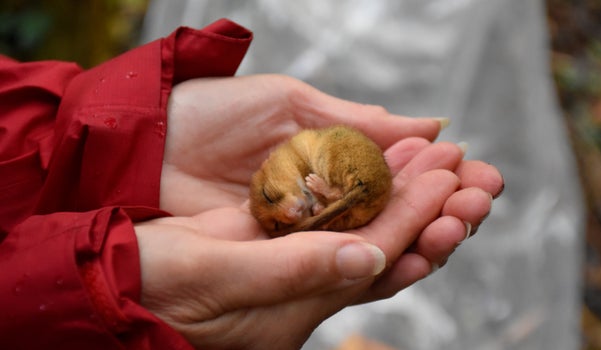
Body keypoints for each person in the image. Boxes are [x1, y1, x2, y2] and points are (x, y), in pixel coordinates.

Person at [0, 19, 503, 350]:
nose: (289, 211)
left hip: (339, 174)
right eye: (284, 218)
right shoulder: (288, 191)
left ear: (268, 171)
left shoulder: (290, 162)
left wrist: (133, 136)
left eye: (273, 200)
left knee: (342, 180)